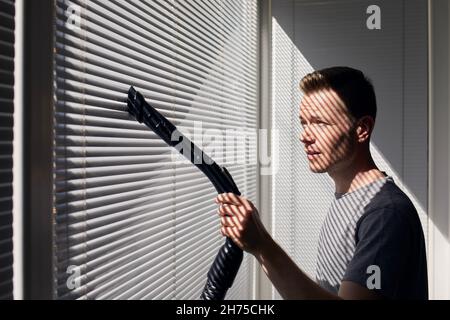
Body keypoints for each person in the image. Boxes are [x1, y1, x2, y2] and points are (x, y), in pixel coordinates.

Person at [215, 66, 428, 300]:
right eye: (304, 123)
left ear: (362, 129)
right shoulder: (349, 198)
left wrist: (262, 245)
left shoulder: (384, 214)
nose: (304, 135)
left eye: (320, 123)